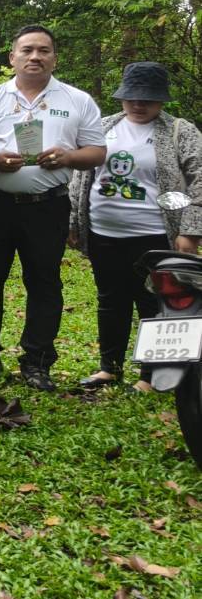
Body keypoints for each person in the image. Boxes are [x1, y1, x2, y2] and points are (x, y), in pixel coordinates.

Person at [0, 24, 105, 390]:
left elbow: (98, 152)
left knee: (44, 282)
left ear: (55, 58)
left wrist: (68, 156)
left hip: (48, 206)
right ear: (11, 57)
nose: (35, 56)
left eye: (43, 50)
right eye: (26, 50)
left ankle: (37, 360)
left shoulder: (77, 100)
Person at [69, 62, 202, 390]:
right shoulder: (103, 126)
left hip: (154, 234)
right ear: (122, 97)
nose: (139, 104)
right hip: (103, 231)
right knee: (110, 298)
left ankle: (151, 374)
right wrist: (72, 220)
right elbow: (80, 177)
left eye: (148, 98)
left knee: (153, 302)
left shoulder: (179, 131)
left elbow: (200, 179)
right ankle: (109, 368)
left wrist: (190, 230)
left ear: (162, 100)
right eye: (132, 97)